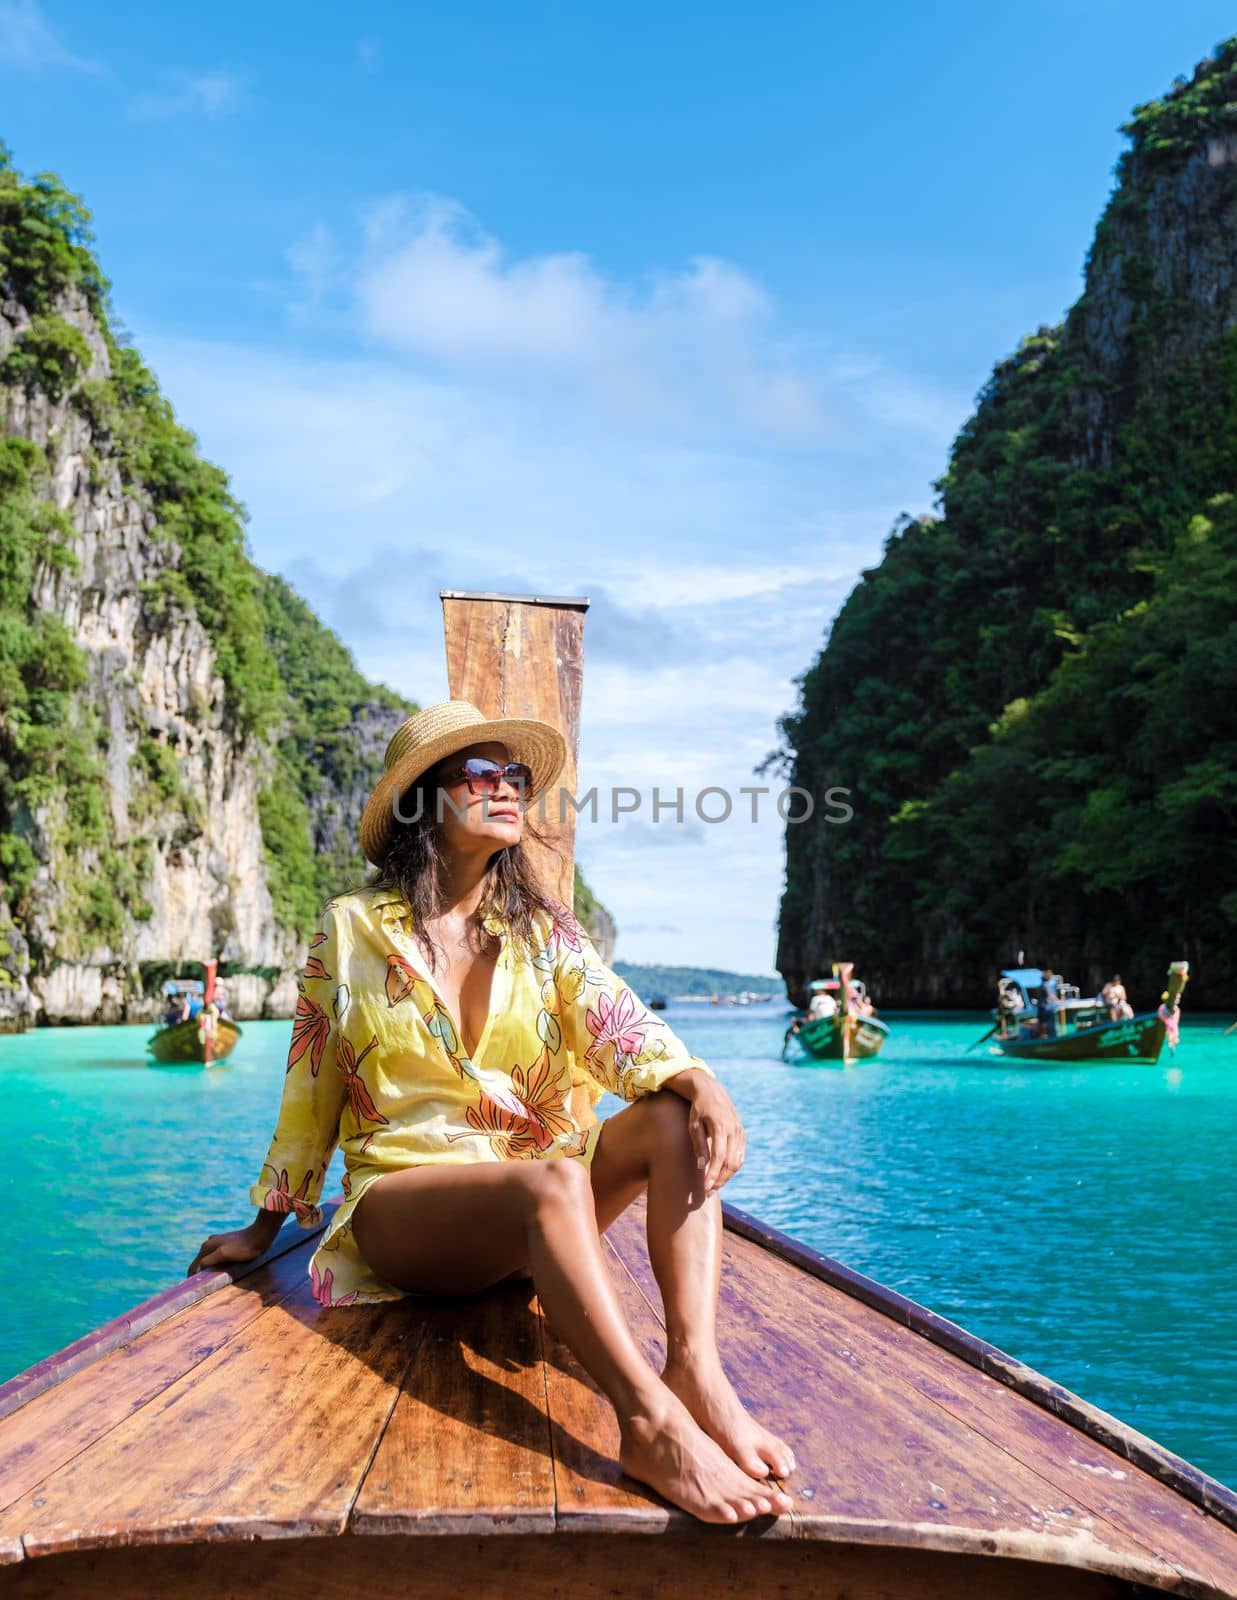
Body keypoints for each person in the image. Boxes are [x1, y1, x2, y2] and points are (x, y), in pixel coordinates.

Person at [188, 699, 794, 1527]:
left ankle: (695, 1370)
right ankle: (649, 1424)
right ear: (422, 801)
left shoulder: (539, 931)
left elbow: (622, 1024)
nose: (506, 788)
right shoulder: (355, 930)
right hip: (407, 1211)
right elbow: (312, 1086)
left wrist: (700, 1081)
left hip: (530, 1215)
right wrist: (264, 1230)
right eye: (480, 773)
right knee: (547, 1182)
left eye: (514, 776)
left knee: (663, 1115)